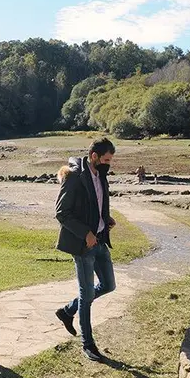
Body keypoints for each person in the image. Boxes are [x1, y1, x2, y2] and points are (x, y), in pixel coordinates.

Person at [54, 138, 117, 362]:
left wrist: (105, 218)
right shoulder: (74, 178)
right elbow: (61, 213)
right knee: (87, 295)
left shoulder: (101, 175)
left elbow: (97, 204)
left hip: (100, 240)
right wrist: (86, 233)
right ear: (94, 156)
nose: (109, 164)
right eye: (106, 160)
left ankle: (68, 311)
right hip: (83, 245)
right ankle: (88, 344)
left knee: (109, 285)